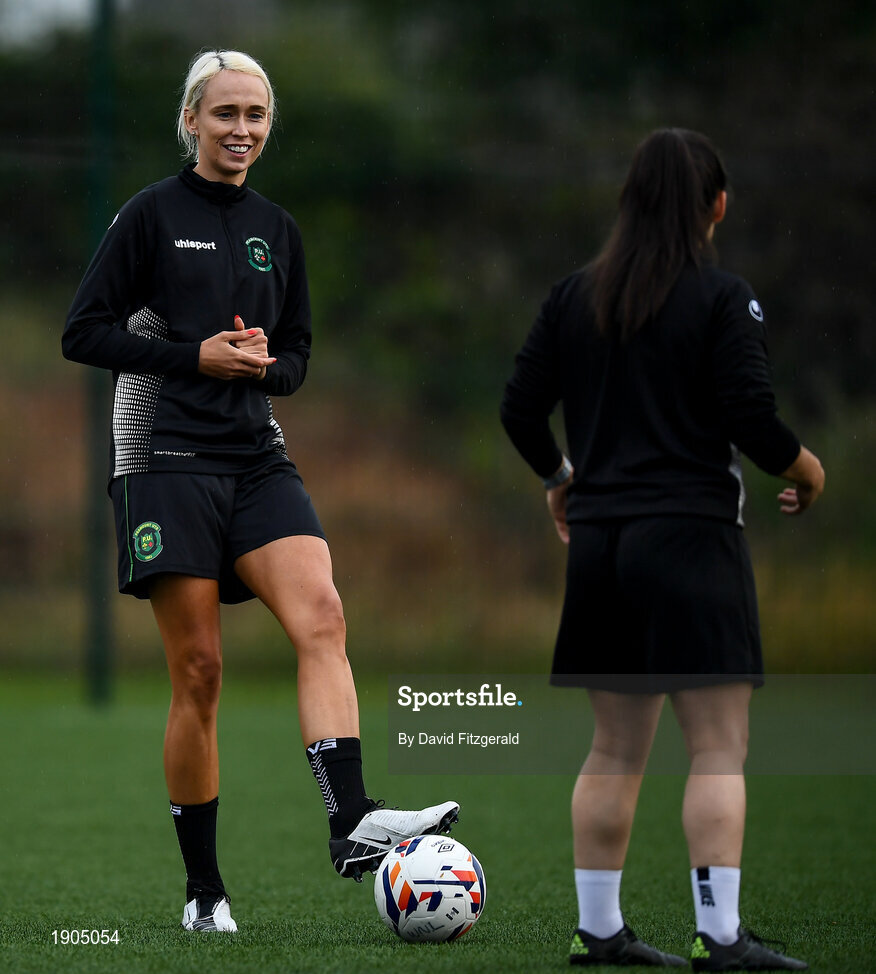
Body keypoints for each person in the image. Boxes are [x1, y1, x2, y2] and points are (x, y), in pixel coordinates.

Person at [62, 49, 458, 934]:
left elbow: (299, 355)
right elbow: (81, 333)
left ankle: (352, 822)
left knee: (323, 614)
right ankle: (204, 891)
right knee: (200, 674)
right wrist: (192, 357)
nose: (241, 129)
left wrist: (265, 368)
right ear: (191, 120)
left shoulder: (277, 228)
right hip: (161, 457)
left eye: (255, 115)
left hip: (254, 457)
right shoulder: (149, 216)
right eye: (225, 113)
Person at [501, 129, 823, 970]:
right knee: (717, 747)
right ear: (717, 206)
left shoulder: (573, 297)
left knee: (613, 750)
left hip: (600, 547)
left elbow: (518, 409)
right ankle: (720, 937)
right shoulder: (722, 298)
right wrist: (807, 468)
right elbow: (753, 419)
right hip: (692, 541)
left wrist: (559, 477)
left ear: (629, 202)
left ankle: (600, 931)